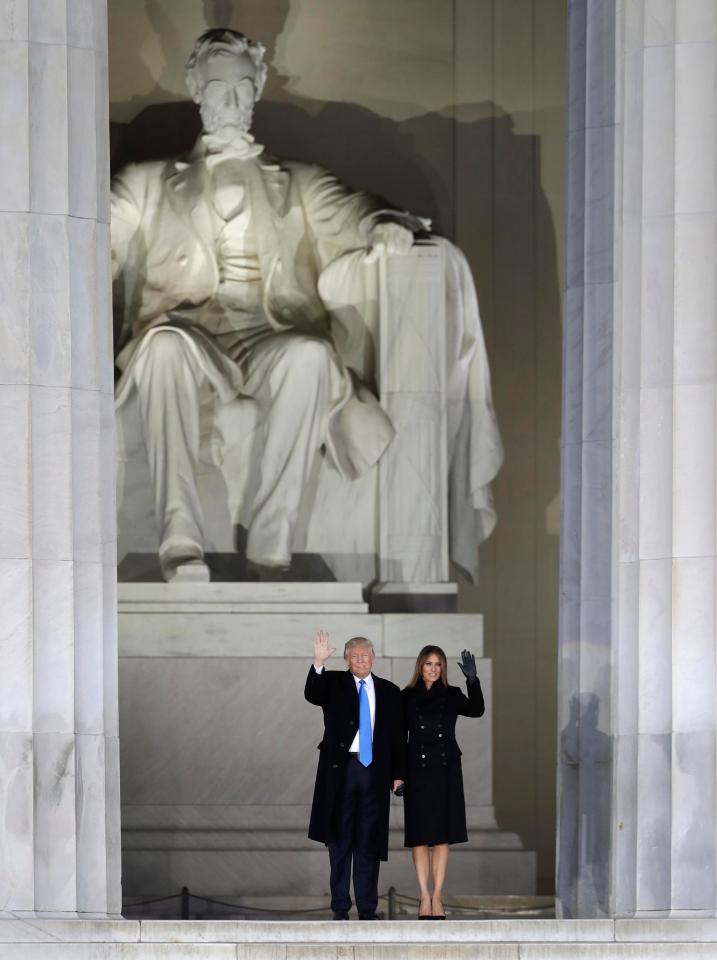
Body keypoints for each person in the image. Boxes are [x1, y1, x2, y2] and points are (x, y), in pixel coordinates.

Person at [110, 28, 422, 582]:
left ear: (256, 91)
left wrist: (383, 224)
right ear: (195, 90)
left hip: (266, 336)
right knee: (158, 350)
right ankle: (180, 541)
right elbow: (93, 230)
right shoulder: (147, 183)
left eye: (240, 90)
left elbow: (353, 210)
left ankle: (270, 548)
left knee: (310, 357)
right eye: (217, 89)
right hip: (185, 332)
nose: (229, 103)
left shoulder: (297, 183)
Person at [305, 630, 405, 920]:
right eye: (354, 656)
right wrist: (318, 661)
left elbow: (399, 736)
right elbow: (313, 693)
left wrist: (398, 774)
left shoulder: (389, 691)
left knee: (368, 841)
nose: (360, 659)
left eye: (365, 655)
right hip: (342, 772)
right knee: (339, 840)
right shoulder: (333, 683)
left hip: (375, 772)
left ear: (373, 658)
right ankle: (339, 907)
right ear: (347, 659)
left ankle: (368, 908)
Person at [401, 645, 484, 919]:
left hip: (446, 769)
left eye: (438, 664)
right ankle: (423, 897)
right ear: (420, 666)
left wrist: (472, 680)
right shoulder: (406, 696)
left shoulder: (452, 695)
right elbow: (398, 740)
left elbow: (477, 710)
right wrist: (397, 775)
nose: (433, 669)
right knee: (420, 838)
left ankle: (437, 896)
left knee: (441, 837)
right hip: (417, 771)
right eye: (428, 663)